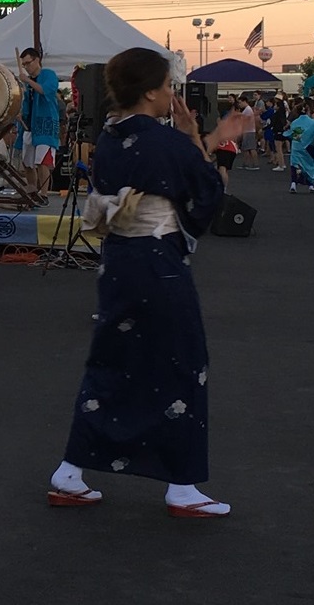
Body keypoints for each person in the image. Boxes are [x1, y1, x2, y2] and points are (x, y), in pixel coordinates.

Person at [47, 46, 235, 519]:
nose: (172, 94)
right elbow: (206, 190)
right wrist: (200, 137)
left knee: (112, 359)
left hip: (119, 261)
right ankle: (183, 484)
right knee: (182, 361)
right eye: (168, 86)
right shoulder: (163, 140)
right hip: (158, 264)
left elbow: (165, 175)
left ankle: (70, 471)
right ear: (150, 91)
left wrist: (193, 140)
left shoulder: (109, 137)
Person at [18, 48, 63, 197]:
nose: (26, 67)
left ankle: (44, 194)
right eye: (23, 64)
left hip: (45, 123)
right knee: (27, 162)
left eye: (28, 63)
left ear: (37, 60)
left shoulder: (48, 74)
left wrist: (28, 81)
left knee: (42, 161)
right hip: (29, 125)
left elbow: (46, 91)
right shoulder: (26, 83)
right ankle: (32, 191)